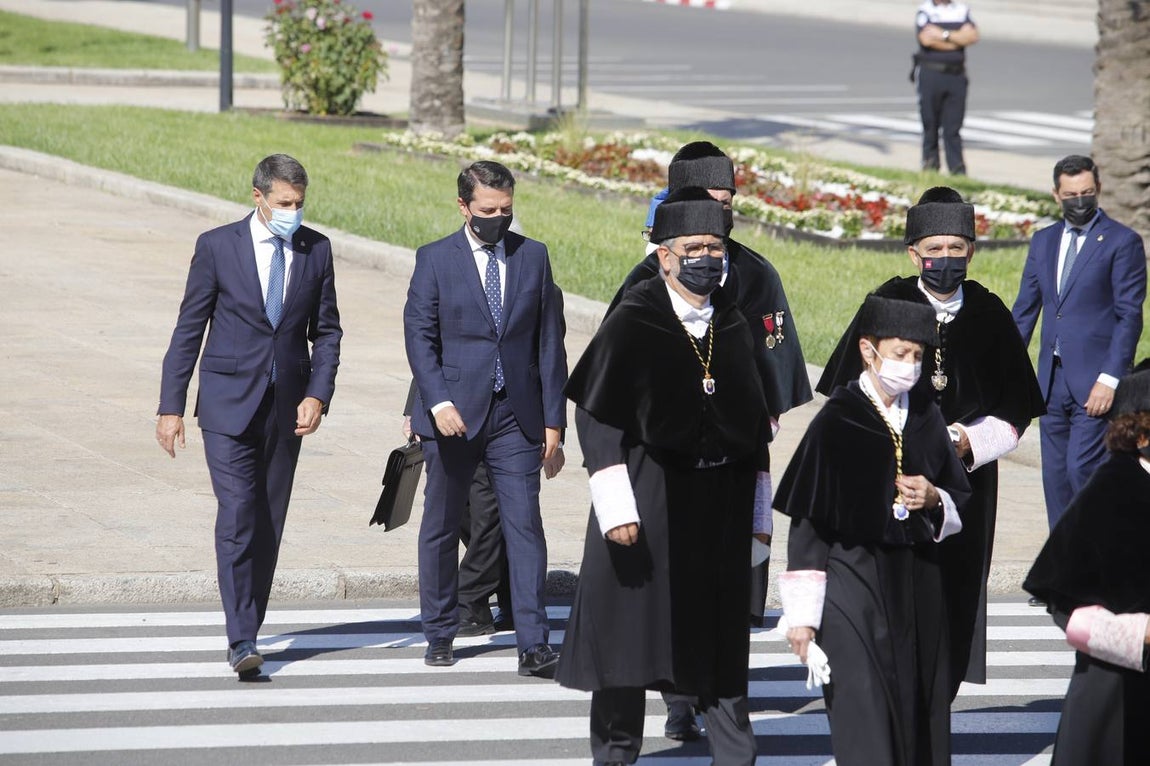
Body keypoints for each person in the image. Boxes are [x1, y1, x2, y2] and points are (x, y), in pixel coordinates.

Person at [557, 188, 771, 766]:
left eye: (716, 246)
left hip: (718, 510)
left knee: (721, 645)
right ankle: (615, 754)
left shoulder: (732, 323)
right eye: (694, 247)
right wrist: (614, 505)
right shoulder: (634, 319)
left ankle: (736, 755)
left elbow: (754, 427)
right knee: (626, 643)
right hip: (644, 500)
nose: (707, 258)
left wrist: (759, 515)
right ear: (664, 256)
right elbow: (596, 415)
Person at [607, 140, 812, 740]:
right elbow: (616, 381)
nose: (719, 212)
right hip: (665, 460)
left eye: (727, 201)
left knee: (728, 585)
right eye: (705, 200)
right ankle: (678, 699)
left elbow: (777, 367)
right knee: (671, 584)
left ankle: (719, 696)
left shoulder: (756, 273)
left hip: (737, 454)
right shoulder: (646, 281)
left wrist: (753, 422)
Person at [817, 187, 1045, 698]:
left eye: (956, 248)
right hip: (891, 478)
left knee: (954, 594)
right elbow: (845, 395)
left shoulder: (988, 312)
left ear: (972, 251)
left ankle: (940, 696)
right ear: (913, 253)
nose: (945, 258)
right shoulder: (888, 303)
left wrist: (964, 441)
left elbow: (1016, 411)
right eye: (934, 249)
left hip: (966, 483)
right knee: (892, 592)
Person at [156, 153, 343, 678]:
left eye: (299, 203)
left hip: (287, 409)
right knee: (238, 512)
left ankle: (250, 627)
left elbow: (327, 332)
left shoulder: (316, 249)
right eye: (284, 203)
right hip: (226, 404)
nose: (292, 212)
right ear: (258, 197)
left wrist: (318, 394)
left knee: (268, 521)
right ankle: (240, 639)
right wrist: (171, 406)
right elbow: (189, 329)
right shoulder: (218, 246)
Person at [776, 294, 971, 766]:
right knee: (863, 705)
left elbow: (957, 495)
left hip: (917, 583)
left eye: (918, 356)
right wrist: (802, 618)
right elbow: (808, 527)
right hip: (852, 582)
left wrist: (934, 498)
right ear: (868, 350)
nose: (910, 366)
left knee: (920, 708)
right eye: (900, 353)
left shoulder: (926, 415)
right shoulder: (837, 420)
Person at [403, 160, 567, 676]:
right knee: (441, 524)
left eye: (506, 209)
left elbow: (549, 342)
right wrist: (437, 403)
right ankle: (440, 632)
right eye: (488, 210)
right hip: (452, 417)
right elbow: (420, 338)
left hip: (515, 416)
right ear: (464, 207)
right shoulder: (434, 259)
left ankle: (533, 644)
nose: (498, 218)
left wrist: (555, 421)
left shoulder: (533, 256)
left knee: (525, 527)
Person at [1023, 359, 1150, 766]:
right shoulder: (1110, 492)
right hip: (1116, 687)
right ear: (1141, 432)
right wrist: (1139, 632)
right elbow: (1065, 603)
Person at [1012, 155, 1147, 535]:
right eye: (1071, 195)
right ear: (1056, 195)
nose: (1079, 201)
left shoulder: (1122, 242)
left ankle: (1098, 555)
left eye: (1087, 193)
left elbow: (1129, 316)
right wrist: (1004, 369)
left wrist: (1110, 378)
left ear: (1098, 189)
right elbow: (1025, 311)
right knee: (1055, 478)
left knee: (1082, 469)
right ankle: (1063, 563)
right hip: (1050, 382)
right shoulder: (1044, 241)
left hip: (1094, 382)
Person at [912, 0, 979, 175]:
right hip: (932, 73)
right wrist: (958, 39)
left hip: (956, 74)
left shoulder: (961, 10)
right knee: (930, 123)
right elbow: (926, 40)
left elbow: (972, 36)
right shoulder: (926, 10)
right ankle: (930, 165)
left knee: (953, 126)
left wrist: (943, 34)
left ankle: (957, 169)